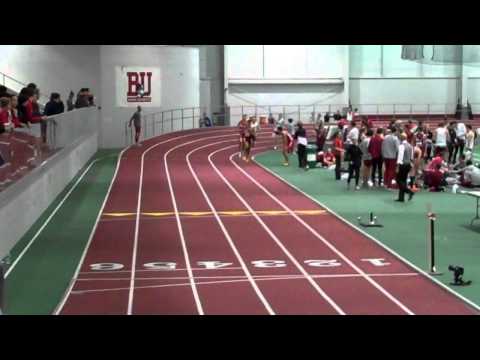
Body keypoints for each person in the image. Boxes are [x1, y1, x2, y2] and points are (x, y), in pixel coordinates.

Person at [395, 133, 415, 202]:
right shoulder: (410, 146)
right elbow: (411, 157)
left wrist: (397, 166)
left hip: (402, 164)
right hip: (408, 164)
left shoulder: (401, 146)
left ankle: (409, 191)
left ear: (401, 138)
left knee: (398, 179)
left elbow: (400, 157)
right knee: (403, 180)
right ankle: (401, 198)